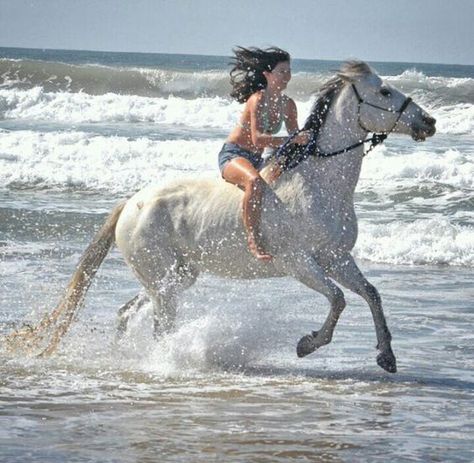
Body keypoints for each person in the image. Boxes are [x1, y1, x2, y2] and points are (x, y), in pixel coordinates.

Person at [218, 46, 310, 262]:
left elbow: (294, 137)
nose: (287, 76)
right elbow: (258, 138)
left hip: (258, 159)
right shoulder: (257, 99)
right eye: (282, 71)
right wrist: (292, 139)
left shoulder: (288, 105)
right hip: (234, 155)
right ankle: (253, 240)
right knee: (255, 183)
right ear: (267, 75)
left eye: (289, 71)